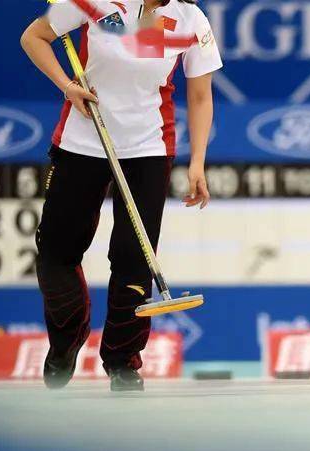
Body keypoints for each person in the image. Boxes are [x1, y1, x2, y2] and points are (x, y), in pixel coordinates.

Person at [20, 0, 222, 391]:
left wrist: (197, 162)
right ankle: (65, 340)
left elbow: (200, 96)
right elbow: (34, 38)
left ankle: (122, 362)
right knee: (56, 251)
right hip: (82, 140)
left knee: (134, 259)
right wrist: (67, 86)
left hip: (147, 147)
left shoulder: (192, 19)